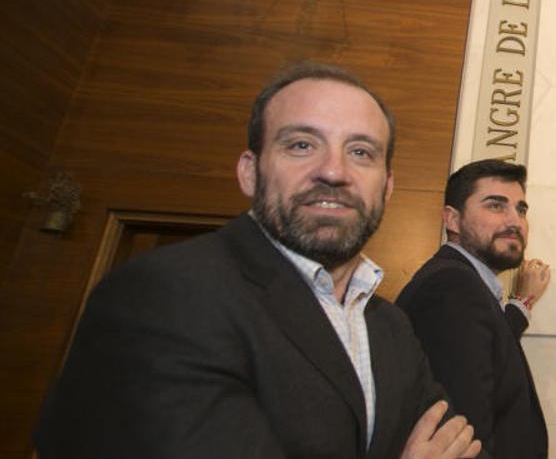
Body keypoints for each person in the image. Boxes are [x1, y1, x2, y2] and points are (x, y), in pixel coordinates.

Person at [35, 62, 482, 459]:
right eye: (302, 145)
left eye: (361, 152)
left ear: (386, 187)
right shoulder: (166, 294)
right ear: (250, 171)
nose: (334, 171)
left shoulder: (390, 327)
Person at [397, 160, 550, 459]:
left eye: (521, 209)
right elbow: (465, 439)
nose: (515, 221)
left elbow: (490, 349)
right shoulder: (451, 288)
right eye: (496, 206)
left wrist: (522, 303)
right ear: (452, 220)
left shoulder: (463, 284)